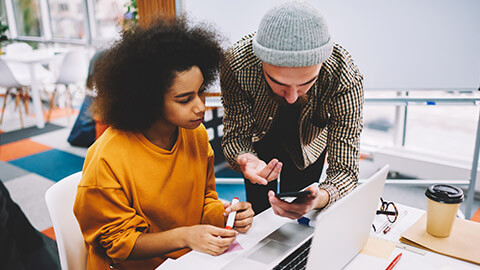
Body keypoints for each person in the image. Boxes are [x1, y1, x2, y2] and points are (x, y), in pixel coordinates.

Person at [73, 17, 254, 269]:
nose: (200, 106)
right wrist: (186, 236)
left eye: (201, 91)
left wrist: (225, 215)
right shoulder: (108, 159)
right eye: (184, 99)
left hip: (189, 259)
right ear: (148, 100)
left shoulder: (196, 135)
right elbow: (117, 245)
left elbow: (204, 199)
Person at [220, 1, 364, 218]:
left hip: (310, 146)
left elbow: (345, 171)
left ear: (322, 64)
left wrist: (321, 197)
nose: (292, 97)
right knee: (258, 212)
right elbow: (235, 137)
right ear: (260, 62)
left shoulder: (344, 76)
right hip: (260, 141)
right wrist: (243, 157)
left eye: (306, 83)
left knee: (300, 211)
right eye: (279, 83)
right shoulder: (237, 64)